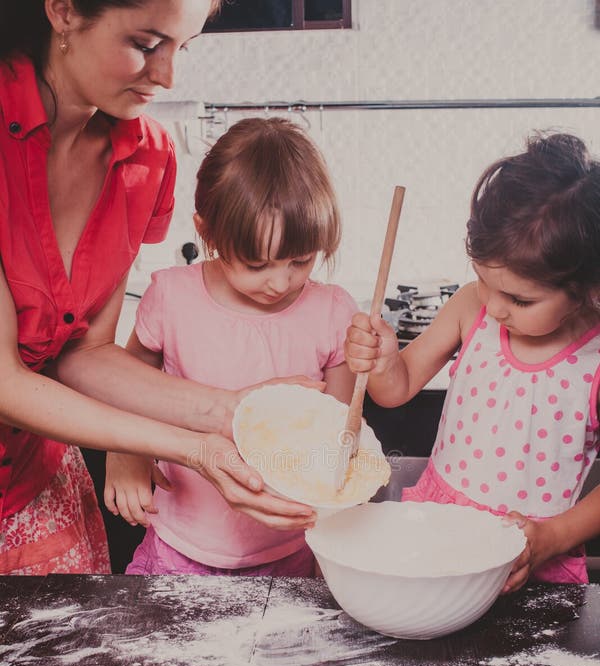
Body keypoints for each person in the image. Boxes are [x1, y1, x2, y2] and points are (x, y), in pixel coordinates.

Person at [0, 0, 319, 576]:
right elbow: (3, 379)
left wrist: (229, 413)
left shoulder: (148, 158)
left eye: (183, 47)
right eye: (147, 45)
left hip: (35, 483)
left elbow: (83, 353)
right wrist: (189, 445)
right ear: (64, 11)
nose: (169, 76)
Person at [345, 132, 600, 592]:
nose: (497, 308)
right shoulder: (470, 309)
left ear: (587, 289)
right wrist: (383, 362)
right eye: (483, 280)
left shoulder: (594, 361)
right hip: (438, 536)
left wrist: (552, 537)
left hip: (532, 557)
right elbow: (395, 389)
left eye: (520, 300)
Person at [106, 116, 357, 576]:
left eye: (300, 261)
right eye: (257, 264)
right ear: (209, 232)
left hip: (291, 554)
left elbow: (341, 434)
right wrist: (125, 453)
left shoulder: (332, 311)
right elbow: (121, 383)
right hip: (178, 546)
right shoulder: (172, 297)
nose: (279, 282)